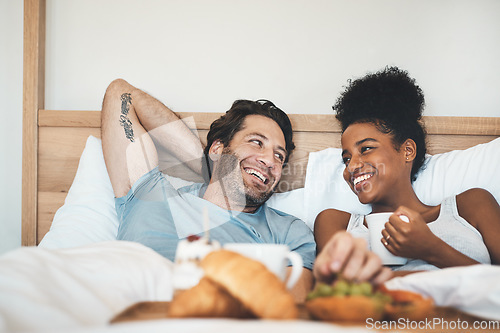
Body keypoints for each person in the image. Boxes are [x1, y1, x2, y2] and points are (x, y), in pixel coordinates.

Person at [101, 79, 391, 302]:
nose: (269, 160)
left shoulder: (288, 231)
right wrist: (208, 164)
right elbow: (120, 93)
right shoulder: (150, 191)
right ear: (217, 147)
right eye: (256, 142)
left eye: (279, 155)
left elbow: (293, 305)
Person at [314, 67, 500, 274]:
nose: (352, 166)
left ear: (408, 151)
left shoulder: (471, 206)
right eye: (346, 159)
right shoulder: (336, 223)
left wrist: (431, 249)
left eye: (366, 149)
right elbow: (336, 295)